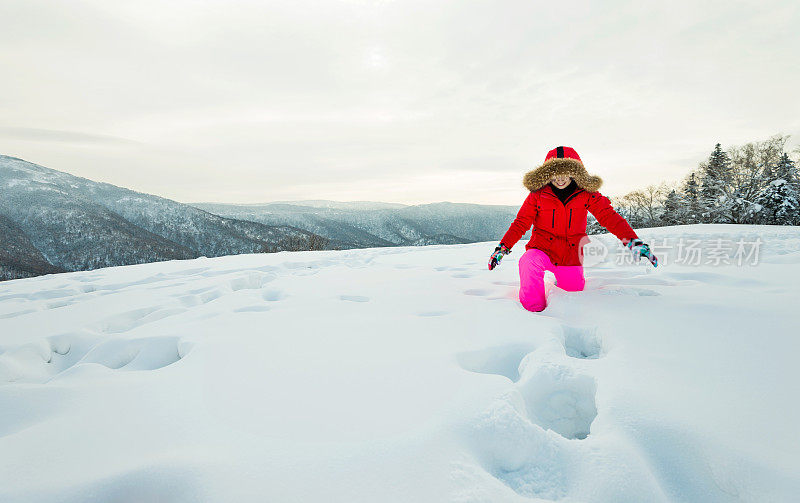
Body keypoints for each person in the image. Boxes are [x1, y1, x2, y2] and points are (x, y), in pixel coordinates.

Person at [488, 146, 656, 312]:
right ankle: (533, 310)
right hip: (542, 249)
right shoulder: (538, 194)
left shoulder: (587, 193)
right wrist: (503, 247)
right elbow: (521, 222)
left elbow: (609, 217)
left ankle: (563, 283)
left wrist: (634, 243)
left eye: (566, 173)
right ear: (547, 174)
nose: (560, 179)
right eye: (555, 173)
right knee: (528, 262)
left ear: (575, 173)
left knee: (573, 292)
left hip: (570, 255)